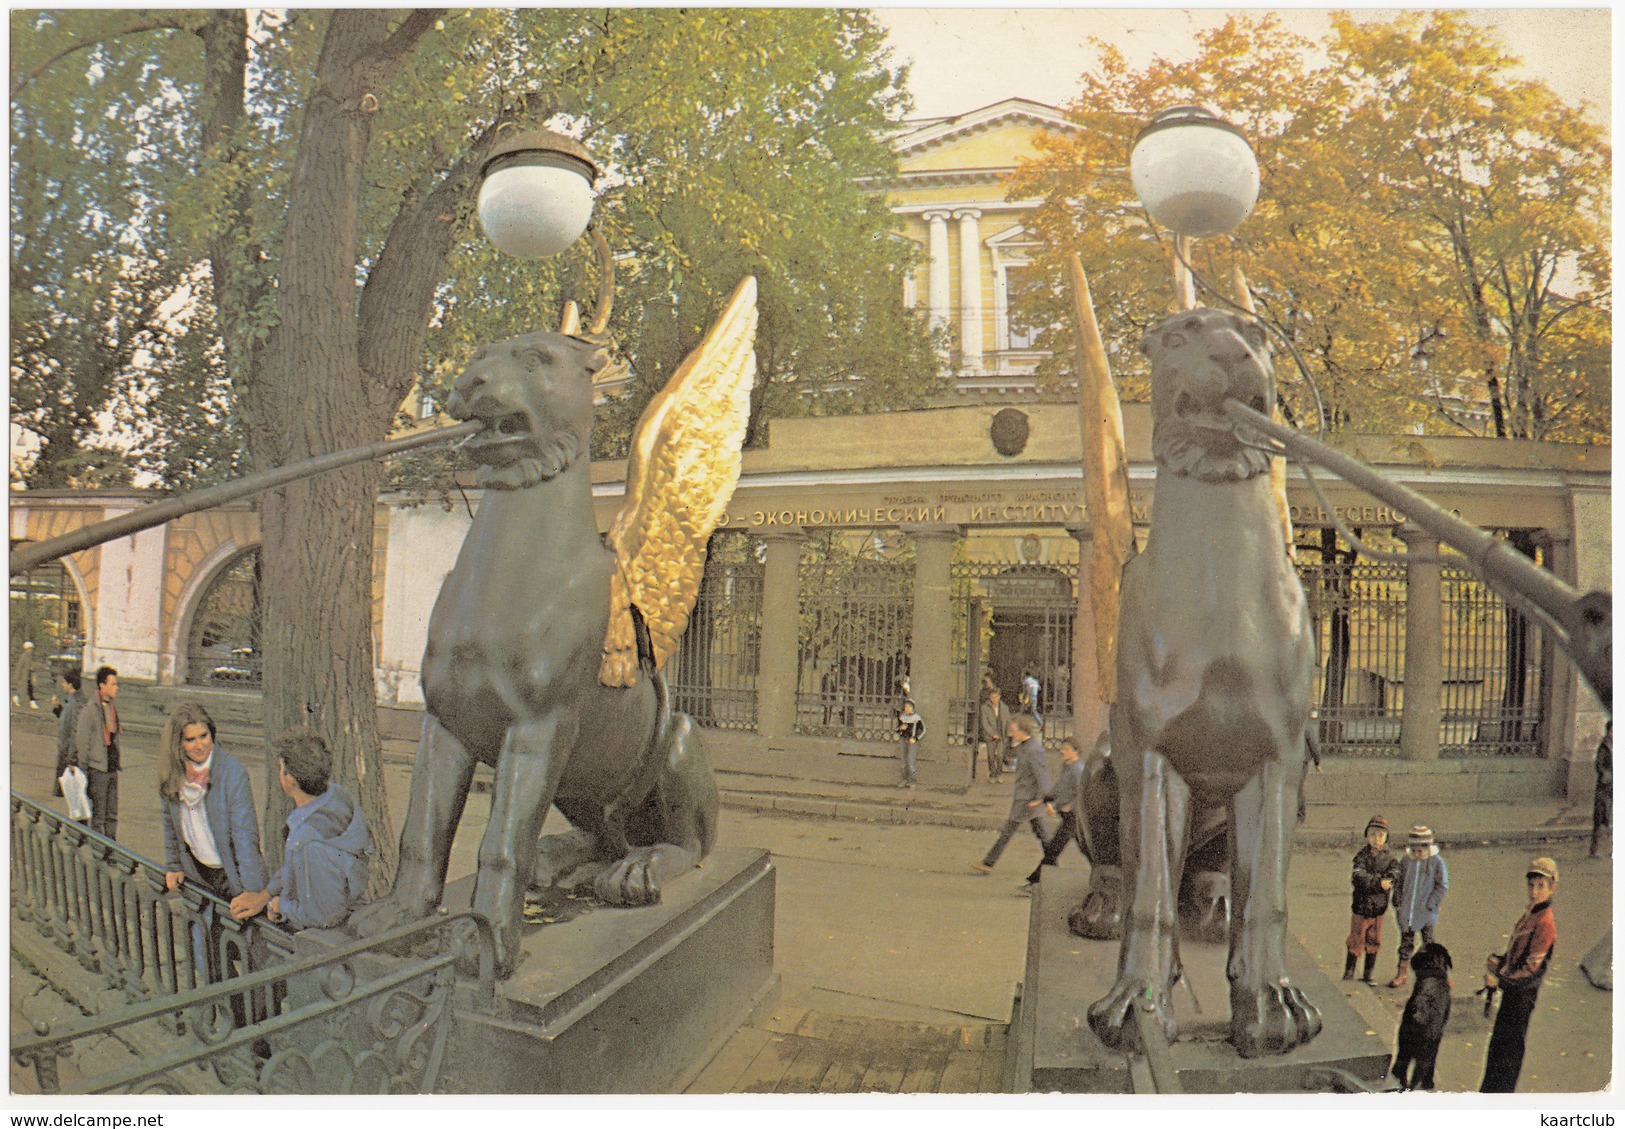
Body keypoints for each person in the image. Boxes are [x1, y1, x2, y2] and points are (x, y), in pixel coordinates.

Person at [232, 727, 370, 930]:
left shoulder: (308, 842)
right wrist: (266, 894)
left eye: (281, 768)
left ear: (291, 779)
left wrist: (278, 905)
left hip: (327, 940)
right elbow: (295, 867)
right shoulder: (338, 795)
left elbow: (322, 917)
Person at [157, 702, 268, 906]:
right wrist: (173, 865)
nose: (200, 745)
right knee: (201, 934)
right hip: (196, 872)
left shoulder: (232, 773)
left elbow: (245, 836)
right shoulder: (172, 774)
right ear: (178, 744)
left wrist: (252, 891)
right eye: (190, 739)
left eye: (204, 736)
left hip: (231, 875)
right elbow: (169, 824)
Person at [1479, 857, 1560, 1093]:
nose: (1534, 892)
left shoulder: (1545, 922)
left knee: (1507, 1055)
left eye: (1540, 886)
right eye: (1531, 885)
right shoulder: (1531, 913)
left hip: (1521, 996)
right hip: (1512, 992)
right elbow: (1518, 954)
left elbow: (1530, 970)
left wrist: (1500, 980)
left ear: (1552, 887)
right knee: (1498, 1049)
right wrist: (1500, 961)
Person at [973, 714, 1052, 874]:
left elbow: (1042, 777)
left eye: (1014, 730)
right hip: (1026, 799)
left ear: (1023, 731)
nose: (1011, 733)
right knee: (1042, 834)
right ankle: (1053, 861)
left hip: (1027, 800)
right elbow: (1008, 754)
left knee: (1008, 832)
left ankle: (988, 863)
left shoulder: (1033, 750)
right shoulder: (1024, 746)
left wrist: (1045, 800)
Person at [1389, 824, 1448, 988]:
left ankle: (1432, 975)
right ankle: (1402, 973)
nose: (1416, 854)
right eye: (1413, 850)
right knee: (1406, 942)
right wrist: (1398, 901)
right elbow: (1399, 882)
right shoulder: (1407, 860)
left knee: (1428, 943)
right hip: (1408, 911)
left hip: (1426, 912)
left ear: (1428, 847)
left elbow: (1442, 885)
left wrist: (1431, 903)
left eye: (1420, 851)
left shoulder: (1436, 862)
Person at [1022, 735, 1084, 890]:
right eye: (1062, 749)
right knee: (1085, 849)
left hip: (1074, 817)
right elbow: (1058, 789)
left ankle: (1035, 881)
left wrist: (1070, 805)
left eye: (1066, 749)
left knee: (1053, 849)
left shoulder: (1078, 770)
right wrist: (1043, 800)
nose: (1062, 752)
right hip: (1069, 817)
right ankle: (1103, 876)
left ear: (1075, 752)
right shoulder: (1067, 767)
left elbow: (1083, 793)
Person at [1344, 815, 1400, 983]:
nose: (1376, 839)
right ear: (1367, 837)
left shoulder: (1390, 859)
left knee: (1374, 940)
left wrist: (1389, 880)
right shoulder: (1361, 857)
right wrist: (1378, 882)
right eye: (1373, 835)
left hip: (1378, 909)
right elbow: (1358, 877)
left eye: (1380, 835)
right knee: (1356, 938)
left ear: (1386, 838)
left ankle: (1368, 973)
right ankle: (1349, 971)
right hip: (1361, 907)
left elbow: (1395, 874)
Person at [69, 665, 123, 840]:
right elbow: (82, 742)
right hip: (98, 770)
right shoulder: (91, 709)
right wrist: (84, 771)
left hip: (112, 768)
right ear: (102, 685)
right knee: (99, 817)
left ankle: (111, 851)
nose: (116, 688)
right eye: (113, 684)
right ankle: (99, 853)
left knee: (112, 815)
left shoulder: (112, 708)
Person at [51, 670, 84, 797]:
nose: (62, 685)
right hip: (65, 752)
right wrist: (58, 709)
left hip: (68, 755)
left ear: (70, 685)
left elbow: (76, 731)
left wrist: (72, 759)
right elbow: (67, 721)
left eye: (64, 683)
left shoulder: (77, 703)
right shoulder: (71, 701)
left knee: (67, 795)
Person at [977, 688, 1011, 784]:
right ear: (989, 697)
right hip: (990, 735)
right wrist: (992, 734)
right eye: (992, 697)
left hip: (1002, 735)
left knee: (1000, 755)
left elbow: (1008, 720)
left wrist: (1008, 732)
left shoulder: (1004, 707)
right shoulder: (985, 707)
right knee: (991, 756)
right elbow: (985, 723)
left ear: (999, 697)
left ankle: (999, 773)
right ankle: (992, 774)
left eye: (996, 697)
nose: (994, 699)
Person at [1591, 722, 1611, 858]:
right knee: (1599, 818)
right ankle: (1594, 849)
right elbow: (1599, 765)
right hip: (1604, 788)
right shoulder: (1604, 746)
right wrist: (1606, 775)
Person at [895, 699, 924, 788]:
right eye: (906, 707)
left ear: (913, 708)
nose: (907, 708)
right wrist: (901, 728)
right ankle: (904, 779)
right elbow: (897, 729)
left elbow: (923, 730)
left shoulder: (916, 718)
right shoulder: (902, 717)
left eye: (909, 707)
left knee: (911, 761)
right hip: (904, 740)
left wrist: (915, 738)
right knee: (903, 761)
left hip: (911, 741)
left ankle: (913, 781)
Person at [12, 640, 39, 708]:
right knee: (22, 690)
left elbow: (32, 665)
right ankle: (16, 698)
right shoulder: (23, 657)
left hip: (29, 676)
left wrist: (33, 667)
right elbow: (19, 667)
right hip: (23, 676)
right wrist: (17, 677)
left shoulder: (31, 657)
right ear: (26, 649)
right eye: (29, 648)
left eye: (31, 649)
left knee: (30, 689)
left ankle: (32, 702)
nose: (31, 650)